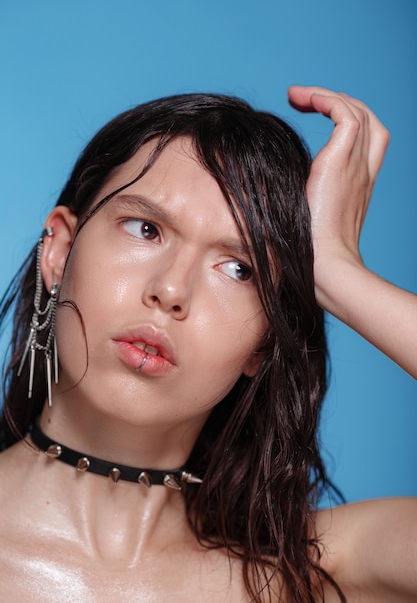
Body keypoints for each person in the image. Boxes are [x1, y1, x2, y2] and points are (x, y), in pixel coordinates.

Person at [0, 86, 415, 603]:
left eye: (240, 269)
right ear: (59, 252)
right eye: (145, 228)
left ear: (265, 343)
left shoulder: (309, 575)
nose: (171, 291)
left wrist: (336, 273)